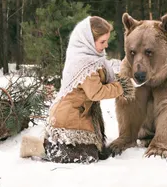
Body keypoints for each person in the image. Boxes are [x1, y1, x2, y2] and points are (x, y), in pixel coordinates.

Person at [19, 16, 133, 164]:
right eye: (102, 42)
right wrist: (121, 87)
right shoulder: (85, 63)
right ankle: (38, 147)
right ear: (89, 41)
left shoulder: (93, 57)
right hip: (69, 118)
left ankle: (54, 146)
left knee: (98, 153)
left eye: (106, 41)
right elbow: (95, 92)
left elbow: (105, 70)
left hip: (80, 115)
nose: (105, 46)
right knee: (87, 157)